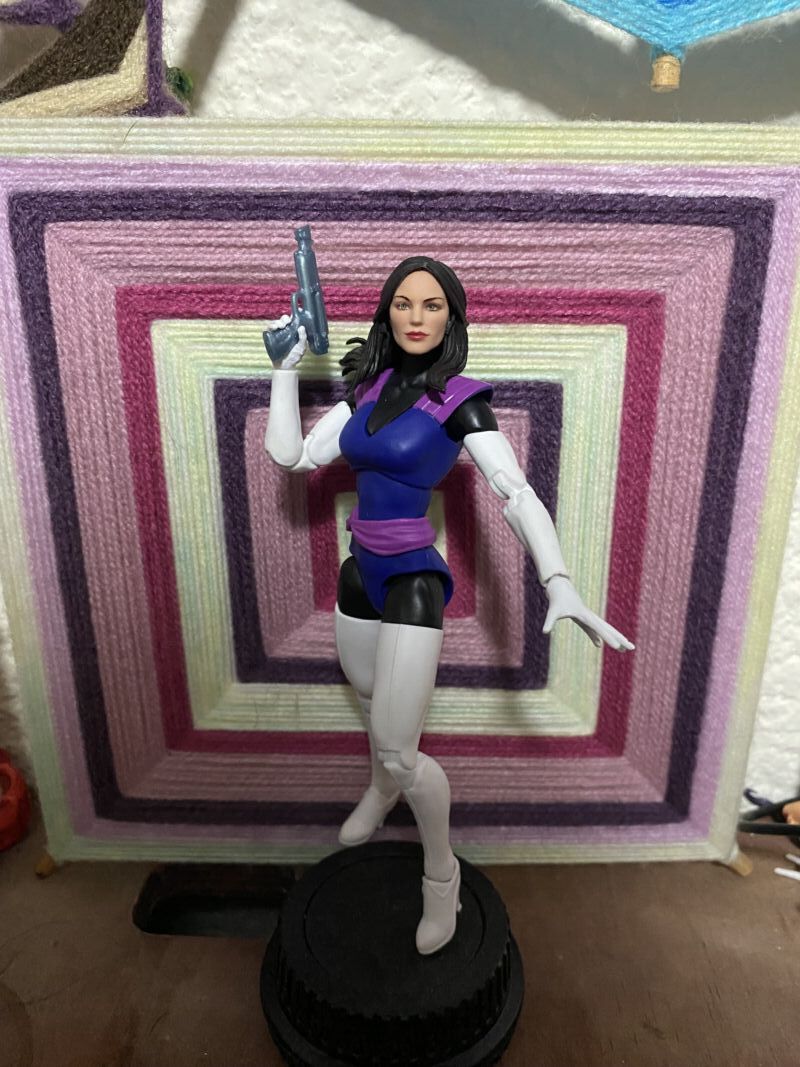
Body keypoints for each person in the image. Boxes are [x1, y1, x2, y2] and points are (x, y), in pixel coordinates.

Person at [264, 256, 633, 955]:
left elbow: (515, 491)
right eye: (403, 303)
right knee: (373, 701)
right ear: (387, 311)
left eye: (432, 305)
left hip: (411, 580)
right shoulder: (367, 387)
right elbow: (294, 456)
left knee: (401, 746)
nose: (416, 317)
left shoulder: (460, 401)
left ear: (451, 318)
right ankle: (382, 789)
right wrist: (284, 368)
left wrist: (558, 579)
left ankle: (442, 875)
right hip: (360, 573)